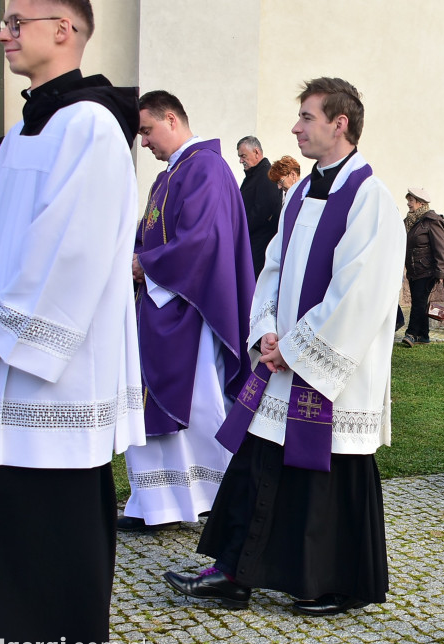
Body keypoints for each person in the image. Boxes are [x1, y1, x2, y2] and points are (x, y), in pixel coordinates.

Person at [0, 0, 146, 644]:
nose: (2, 32)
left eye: (17, 22)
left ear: (64, 30)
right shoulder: (24, 128)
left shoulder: (94, 127)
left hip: (49, 384)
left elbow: (69, 252)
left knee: (35, 544)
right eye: (5, 20)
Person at [164, 77, 404, 617]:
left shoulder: (372, 200)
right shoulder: (296, 192)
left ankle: (328, 581)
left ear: (340, 123)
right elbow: (271, 268)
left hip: (330, 371)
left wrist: (294, 348)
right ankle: (234, 572)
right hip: (284, 359)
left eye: (307, 117)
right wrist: (267, 330)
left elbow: (359, 294)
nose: (295, 127)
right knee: (261, 461)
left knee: (326, 474)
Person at [121, 90, 254, 532]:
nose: (144, 142)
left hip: (190, 310)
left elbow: (204, 241)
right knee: (155, 407)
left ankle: (212, 495)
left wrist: (147, 265)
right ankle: (156, 503)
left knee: (197, 406)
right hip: (161, 305)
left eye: (147, 130)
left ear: (172, 119)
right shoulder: (172, 173)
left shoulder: (207, 169)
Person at [400, 187, 444, 347]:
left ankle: (411, 333)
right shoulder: (411, 221)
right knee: (419, 301)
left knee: (419, 302)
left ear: (420, 202)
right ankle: (424, 335)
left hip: (427, 270)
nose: (408, 204)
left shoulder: (431, 221)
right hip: (414, 270)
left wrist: (441, 272)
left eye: (411, 201)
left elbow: (440, 247)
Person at [237, 135, 283, 277]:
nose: (240, 161)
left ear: (256, 152)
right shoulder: (255, 175)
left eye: (243, 156)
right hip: (251, 244)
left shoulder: (266, 174)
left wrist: (240, 228)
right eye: (239, 157)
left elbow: (263, 211)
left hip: (259, 248)